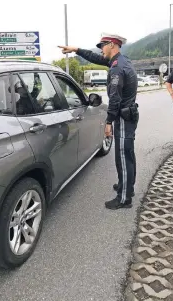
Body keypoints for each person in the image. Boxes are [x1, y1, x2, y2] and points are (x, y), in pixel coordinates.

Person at [58, 33, 139, 210]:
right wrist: (77, 50)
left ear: (111, 45)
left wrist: (108, 122)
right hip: (128, 115)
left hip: (124, 117)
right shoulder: (122, 60)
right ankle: (127, 186)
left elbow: (115, 99)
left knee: (123, 157)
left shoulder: (117, 68)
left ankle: (124, 198)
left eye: (102, 46)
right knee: (127, 155)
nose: (100, 50)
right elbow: (96, 58)